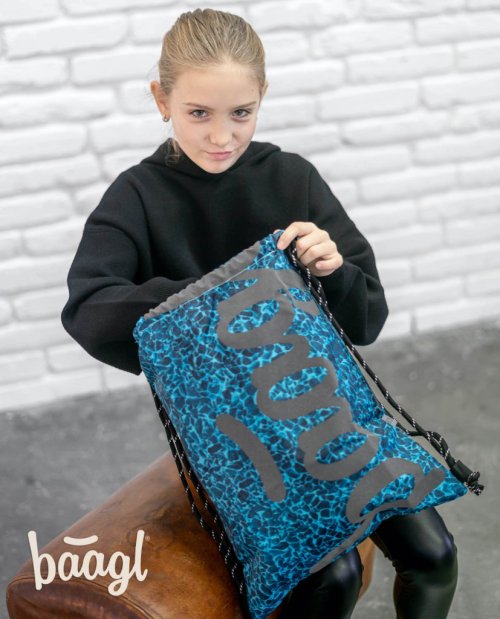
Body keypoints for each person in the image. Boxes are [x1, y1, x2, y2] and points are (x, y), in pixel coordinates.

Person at [61, 8, 458, 619]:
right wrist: (227, 291)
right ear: (161, 100)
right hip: (232, 438)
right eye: (199, 113)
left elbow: (367, 319)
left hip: (327, 408)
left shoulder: (292, 178)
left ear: (262, 97)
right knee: (332, 575)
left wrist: (332, 270)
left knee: (435, 555)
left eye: (240, 113)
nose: (221, 136)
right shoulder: (137, 197)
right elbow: (89, 307)